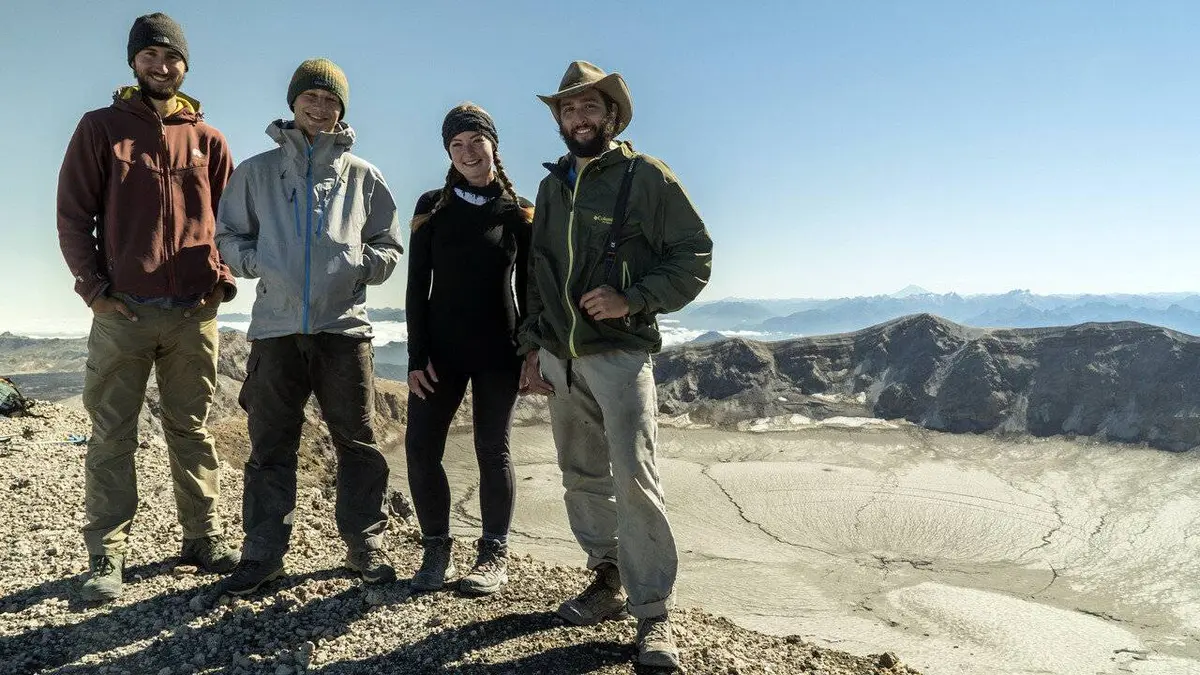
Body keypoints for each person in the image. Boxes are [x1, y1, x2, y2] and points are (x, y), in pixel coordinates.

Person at [518, 61, 713, 668]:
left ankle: (654, 614)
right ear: (559, 119)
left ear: (612, 115)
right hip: (562, 356)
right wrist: (532, 346)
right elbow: (538, 272)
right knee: (581, 474)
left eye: (589, 108)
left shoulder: (646, 177)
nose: (579, 118)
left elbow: (695, 254)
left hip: (621, 356)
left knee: (634, 476)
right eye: (568, 110)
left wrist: (634, 298)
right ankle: (606, 578)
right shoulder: (553, 187)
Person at [56, 12, 240, 602]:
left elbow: (234, 222)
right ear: (134, 63)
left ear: (186, 65)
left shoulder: (208, 140)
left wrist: (222, 283)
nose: (161, 66)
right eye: (150, 57)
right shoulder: (100, 127)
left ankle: (203, 539)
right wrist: (94, 291)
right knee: (113, 433)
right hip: (124, 314)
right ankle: (106, 557)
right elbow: (71, 214)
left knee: (192, 429)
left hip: (194, 313)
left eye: (172, 58)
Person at [214, 58, 403, 595]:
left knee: (358, 443)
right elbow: (229, 236)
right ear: (293, 103)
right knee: (271, 444)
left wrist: (358, 266)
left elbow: (388, 245)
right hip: (274, 330)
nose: (320, 109)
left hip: (343, 329)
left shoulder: (364, 176)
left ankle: (365, 544)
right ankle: (262, 554)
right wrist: (259, 264)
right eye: (311, 98)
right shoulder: (255, 171)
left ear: (341, 110)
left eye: (330, 101)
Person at [404, 104, 533, 595]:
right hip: (441, 353)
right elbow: (416, 287)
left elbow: (531, 290)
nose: (467, 152)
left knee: (491, 450)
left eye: (475, 141)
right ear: (448, 154)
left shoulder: (518, 212)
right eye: (456, 145)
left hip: (500, 351)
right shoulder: (431, 206)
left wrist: (531, 351)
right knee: (420, 447)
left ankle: (493, 553)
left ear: (493, 145)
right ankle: (436, 548)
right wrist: (417, 357)